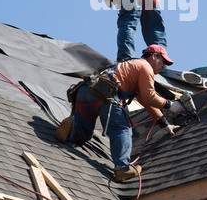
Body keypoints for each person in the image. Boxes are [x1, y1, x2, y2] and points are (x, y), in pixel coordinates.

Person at [54, 45, 181, 182]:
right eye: (163, 62)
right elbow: (150, 96)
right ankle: (122, 169)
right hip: (107, 96)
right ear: (154, 56)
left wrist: (164, 123)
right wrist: (170, 105)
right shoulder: (145, 67)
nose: (164, 67)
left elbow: (145, 100)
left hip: (86, 91)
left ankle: (70, 130)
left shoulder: (130, 65)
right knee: (122, 129)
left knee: (82, 136)